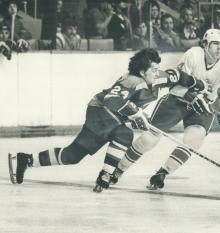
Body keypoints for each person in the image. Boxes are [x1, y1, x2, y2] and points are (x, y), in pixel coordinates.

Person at [9, 48, 208, 186]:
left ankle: (26, 160)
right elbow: (113, 100)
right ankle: (106, 174)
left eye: (158, 67)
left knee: (72, 156)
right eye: (153, 69)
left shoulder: (160, 76)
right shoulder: (131, 80)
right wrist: (136, 113)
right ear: (141, 71)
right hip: (100, 113)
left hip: (115, 117)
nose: (158, 73)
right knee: (124, 135)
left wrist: (198, 86)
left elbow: (180, 77)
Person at [102, 28, 220, 191]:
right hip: (178, 99)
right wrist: (191, 96)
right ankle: (118, 170)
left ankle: (162, 173)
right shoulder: (193, 54)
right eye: (215, 44)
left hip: (203, 106)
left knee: (193, 140)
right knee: (149, 139)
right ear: (205, 44)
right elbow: (177, 82)